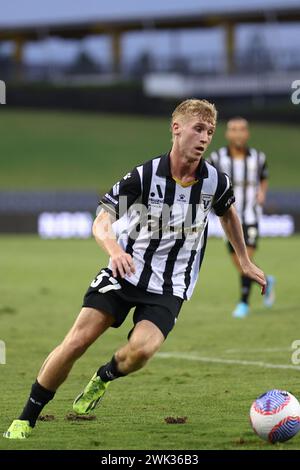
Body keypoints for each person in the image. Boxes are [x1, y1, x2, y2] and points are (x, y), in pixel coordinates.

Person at [4, 99, 266, 439]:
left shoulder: (215, 182)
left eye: (210, 132)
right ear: (176, 129)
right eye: (198, 129)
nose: (205, 138)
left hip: (170, 286)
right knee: (77, 341)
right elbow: (102, 221)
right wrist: (113, 250)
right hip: (125, 271)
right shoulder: (145, 176)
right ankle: (26, 418)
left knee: (142, 351)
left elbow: (228, 213)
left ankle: (103, 377)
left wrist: (244, 259)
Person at [207, 117, 275, 318]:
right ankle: (267, 281)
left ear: (247, 133)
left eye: (242, 129)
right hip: (228, 218)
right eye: (233, 129)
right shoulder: (217, 157)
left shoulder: (258, 158)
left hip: (251, 215)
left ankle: (243, 303)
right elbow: (206, 178)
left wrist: (262, 192)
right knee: (240, 263)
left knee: (248, 258)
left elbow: (263, 177)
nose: (238, 133)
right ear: (227, 134)